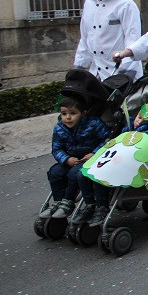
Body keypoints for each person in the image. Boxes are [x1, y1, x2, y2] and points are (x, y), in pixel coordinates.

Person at [39, 95, 112, 226]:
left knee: (74, 174)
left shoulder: (94, 123)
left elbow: (107, 140)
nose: (68, 117)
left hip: (91, 158)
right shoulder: (60, 128)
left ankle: (69, 202)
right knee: (55, 172)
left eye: (73, 113)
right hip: (71, 159)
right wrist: (66, 159)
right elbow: (56, 149)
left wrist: (94, 153)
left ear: (83, 114)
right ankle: (59, 202)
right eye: (64, 113)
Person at [74, 0, 143, 80]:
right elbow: (85, 39)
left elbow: (133, 41)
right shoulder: (89, 3)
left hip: (123, 73)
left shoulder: (126, 4)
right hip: (98, 74)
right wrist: (78, 67)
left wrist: (125, 73)